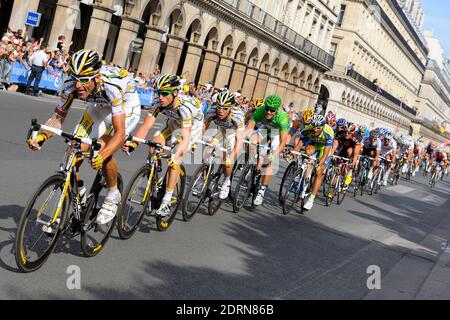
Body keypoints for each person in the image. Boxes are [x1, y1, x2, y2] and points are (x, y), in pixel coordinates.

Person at [27, 49, 141, 225]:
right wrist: (41, 137)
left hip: (125, 105)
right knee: (74, 148)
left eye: (84, 80)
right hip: (98, 105)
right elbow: (57, 120)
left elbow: (119, 134)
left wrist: (102, 155)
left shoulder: (112, 87)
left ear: (96, 77)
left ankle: (112, 194)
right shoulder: (70, 86)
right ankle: (78, 191)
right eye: (75, 78)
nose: (78, 85)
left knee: (103, 148)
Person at [125, 74, 204, 217]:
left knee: (175, 160)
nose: (160, 97)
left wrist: (177, 154)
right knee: (154, 144)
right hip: (173, 122)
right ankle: (154, 174)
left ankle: (167, 200)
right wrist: (133, 144)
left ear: (175, 93)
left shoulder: (185, 108)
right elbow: (146, 126)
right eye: (158, 92)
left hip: (191, 127)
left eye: (164, 93)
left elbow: (185, 137)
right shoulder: (157, 102)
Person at [244, 95, 290, 206]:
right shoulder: (260, 110)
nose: (268, 112)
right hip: (264, 128)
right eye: (267, 109)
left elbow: (283, 142)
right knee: (252, 141)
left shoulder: (283, 118)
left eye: (272, 111)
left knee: (268, 161)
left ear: (277, 110)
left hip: (276, 133)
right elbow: (249, 128)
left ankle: (262, 190)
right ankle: (252, 165)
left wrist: (273, 156)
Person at [203, 91, 245, 199]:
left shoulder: (237, 115)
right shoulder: (212, 110)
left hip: (233, 134)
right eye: (219, 107)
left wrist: (231, 157)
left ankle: (227, 181)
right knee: (207, 151)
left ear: (231, 108)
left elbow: (240, 141)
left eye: (225, 108)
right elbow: (204, 125)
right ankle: (204, 179)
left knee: (227, 161)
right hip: (221, 131)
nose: (220, 111)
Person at [293, 114, 335, 210]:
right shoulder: (308, 128)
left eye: (318, 128)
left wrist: (319, 164)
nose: (315, 130)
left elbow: (325, 154)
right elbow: (299, 144)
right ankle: (304, 176)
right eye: (314, 127)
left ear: (323, 127)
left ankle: (311, 198)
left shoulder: (329, 132)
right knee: (307, 153)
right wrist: (293, 154)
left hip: (324, 148)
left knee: (318, 171)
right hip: (314, 144)